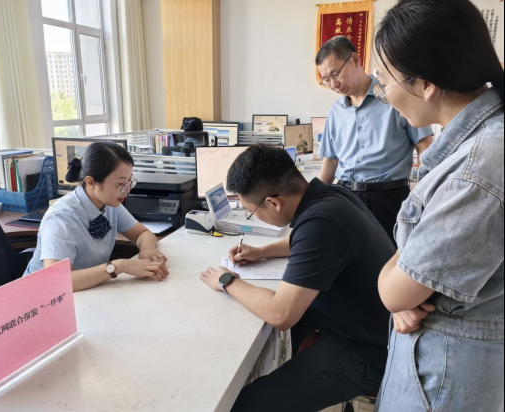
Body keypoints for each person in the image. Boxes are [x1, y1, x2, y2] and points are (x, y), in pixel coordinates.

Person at [372, 0, 504, 410]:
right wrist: (407, 285)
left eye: (384, 80)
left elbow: (395, 292)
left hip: (446, 373)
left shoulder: (480, 165)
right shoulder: (475, 142)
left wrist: (399, 287)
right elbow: (409, 285)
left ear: (425, 84)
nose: (383, 93)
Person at [199, 145, 395, 411]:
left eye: (250, 211)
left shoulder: (321, 221)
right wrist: (261, 252)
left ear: (273, 202)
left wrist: (227, 281)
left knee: (245, 404)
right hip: (365, 326)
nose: (253, 216)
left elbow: (281, 314)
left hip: (363, 352)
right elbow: (301, 238)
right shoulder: (332, 195)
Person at [316, 36, 434, 247]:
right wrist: (311, 199)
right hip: (344, 195)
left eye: (335, 74)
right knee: (344, 256)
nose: (333, 84)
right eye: (326, 80)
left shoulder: (394, 95)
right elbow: (331, 161)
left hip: (388, 198)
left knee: (389, 257)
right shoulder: (335, 111)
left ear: (355, 59)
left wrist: (425, 193)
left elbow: (424, 145)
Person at [24, 141, 169, 291]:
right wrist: (119, 266)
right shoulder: (61, 218)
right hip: (42, 297)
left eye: (129, 181)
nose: (127, 190)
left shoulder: (110, 203)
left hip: (87, 291)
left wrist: (147, 248)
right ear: (91, 182)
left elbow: (142, 233)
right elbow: (58, 281)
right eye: (120, 184)